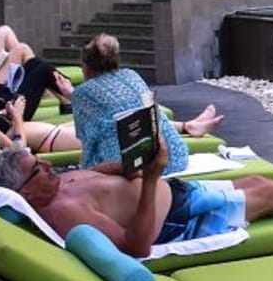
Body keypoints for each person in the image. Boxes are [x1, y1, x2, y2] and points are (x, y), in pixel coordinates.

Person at [0, 139, 273, 257]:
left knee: (253, 181)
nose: (49, 167)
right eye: (38, 169)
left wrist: (130, 162)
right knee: (267, 194)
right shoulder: (64, 212)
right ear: (23, 192)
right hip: (176, 222)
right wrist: (151, 178)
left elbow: (101, 176)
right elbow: (135, 247)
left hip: (176, 195)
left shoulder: (56, 185)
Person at [69, 33, 223, 175]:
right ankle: (188, 126)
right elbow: (154, 114)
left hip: (130, 165)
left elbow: (88, 142)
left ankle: (189, 126)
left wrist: (85, 172)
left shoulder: (83, 93)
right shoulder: (131, 75)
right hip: (174, 155)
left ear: (86, 67)